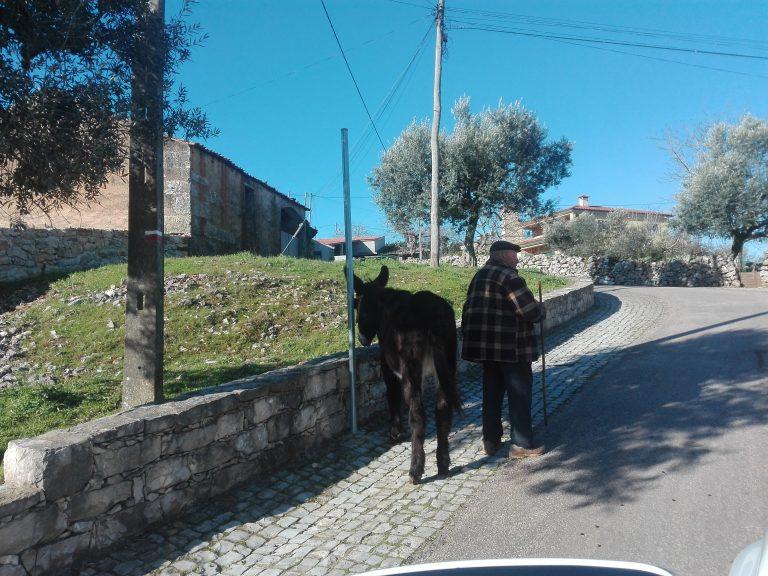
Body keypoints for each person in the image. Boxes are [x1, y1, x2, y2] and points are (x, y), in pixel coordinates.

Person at [461, 240, 546, 458]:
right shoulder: (510, 277)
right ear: (504, 255)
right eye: (514, 254)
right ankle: (521, 445)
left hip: (486, 349)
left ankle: (491, 441)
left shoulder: (479, 275)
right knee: (520, 394)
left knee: (491, 394)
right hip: (511, 349)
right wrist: (541, 309)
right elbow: (530, 312)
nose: (517, 259)